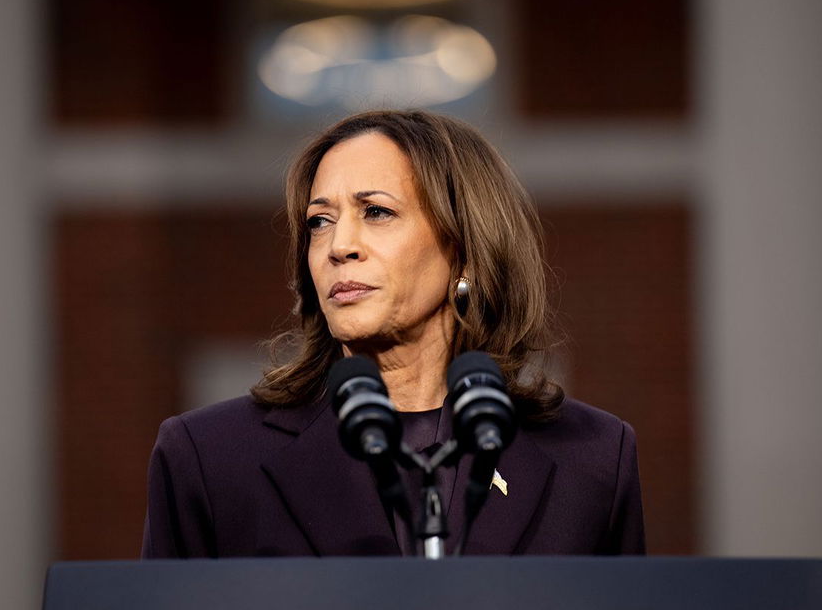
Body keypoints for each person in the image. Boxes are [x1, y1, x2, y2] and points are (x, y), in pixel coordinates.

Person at [141, 109, 645, 558]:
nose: (339, 246)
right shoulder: (210, 457)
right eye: (319, 221)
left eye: (376, 212)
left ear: (465, 247)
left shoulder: (594, 458)